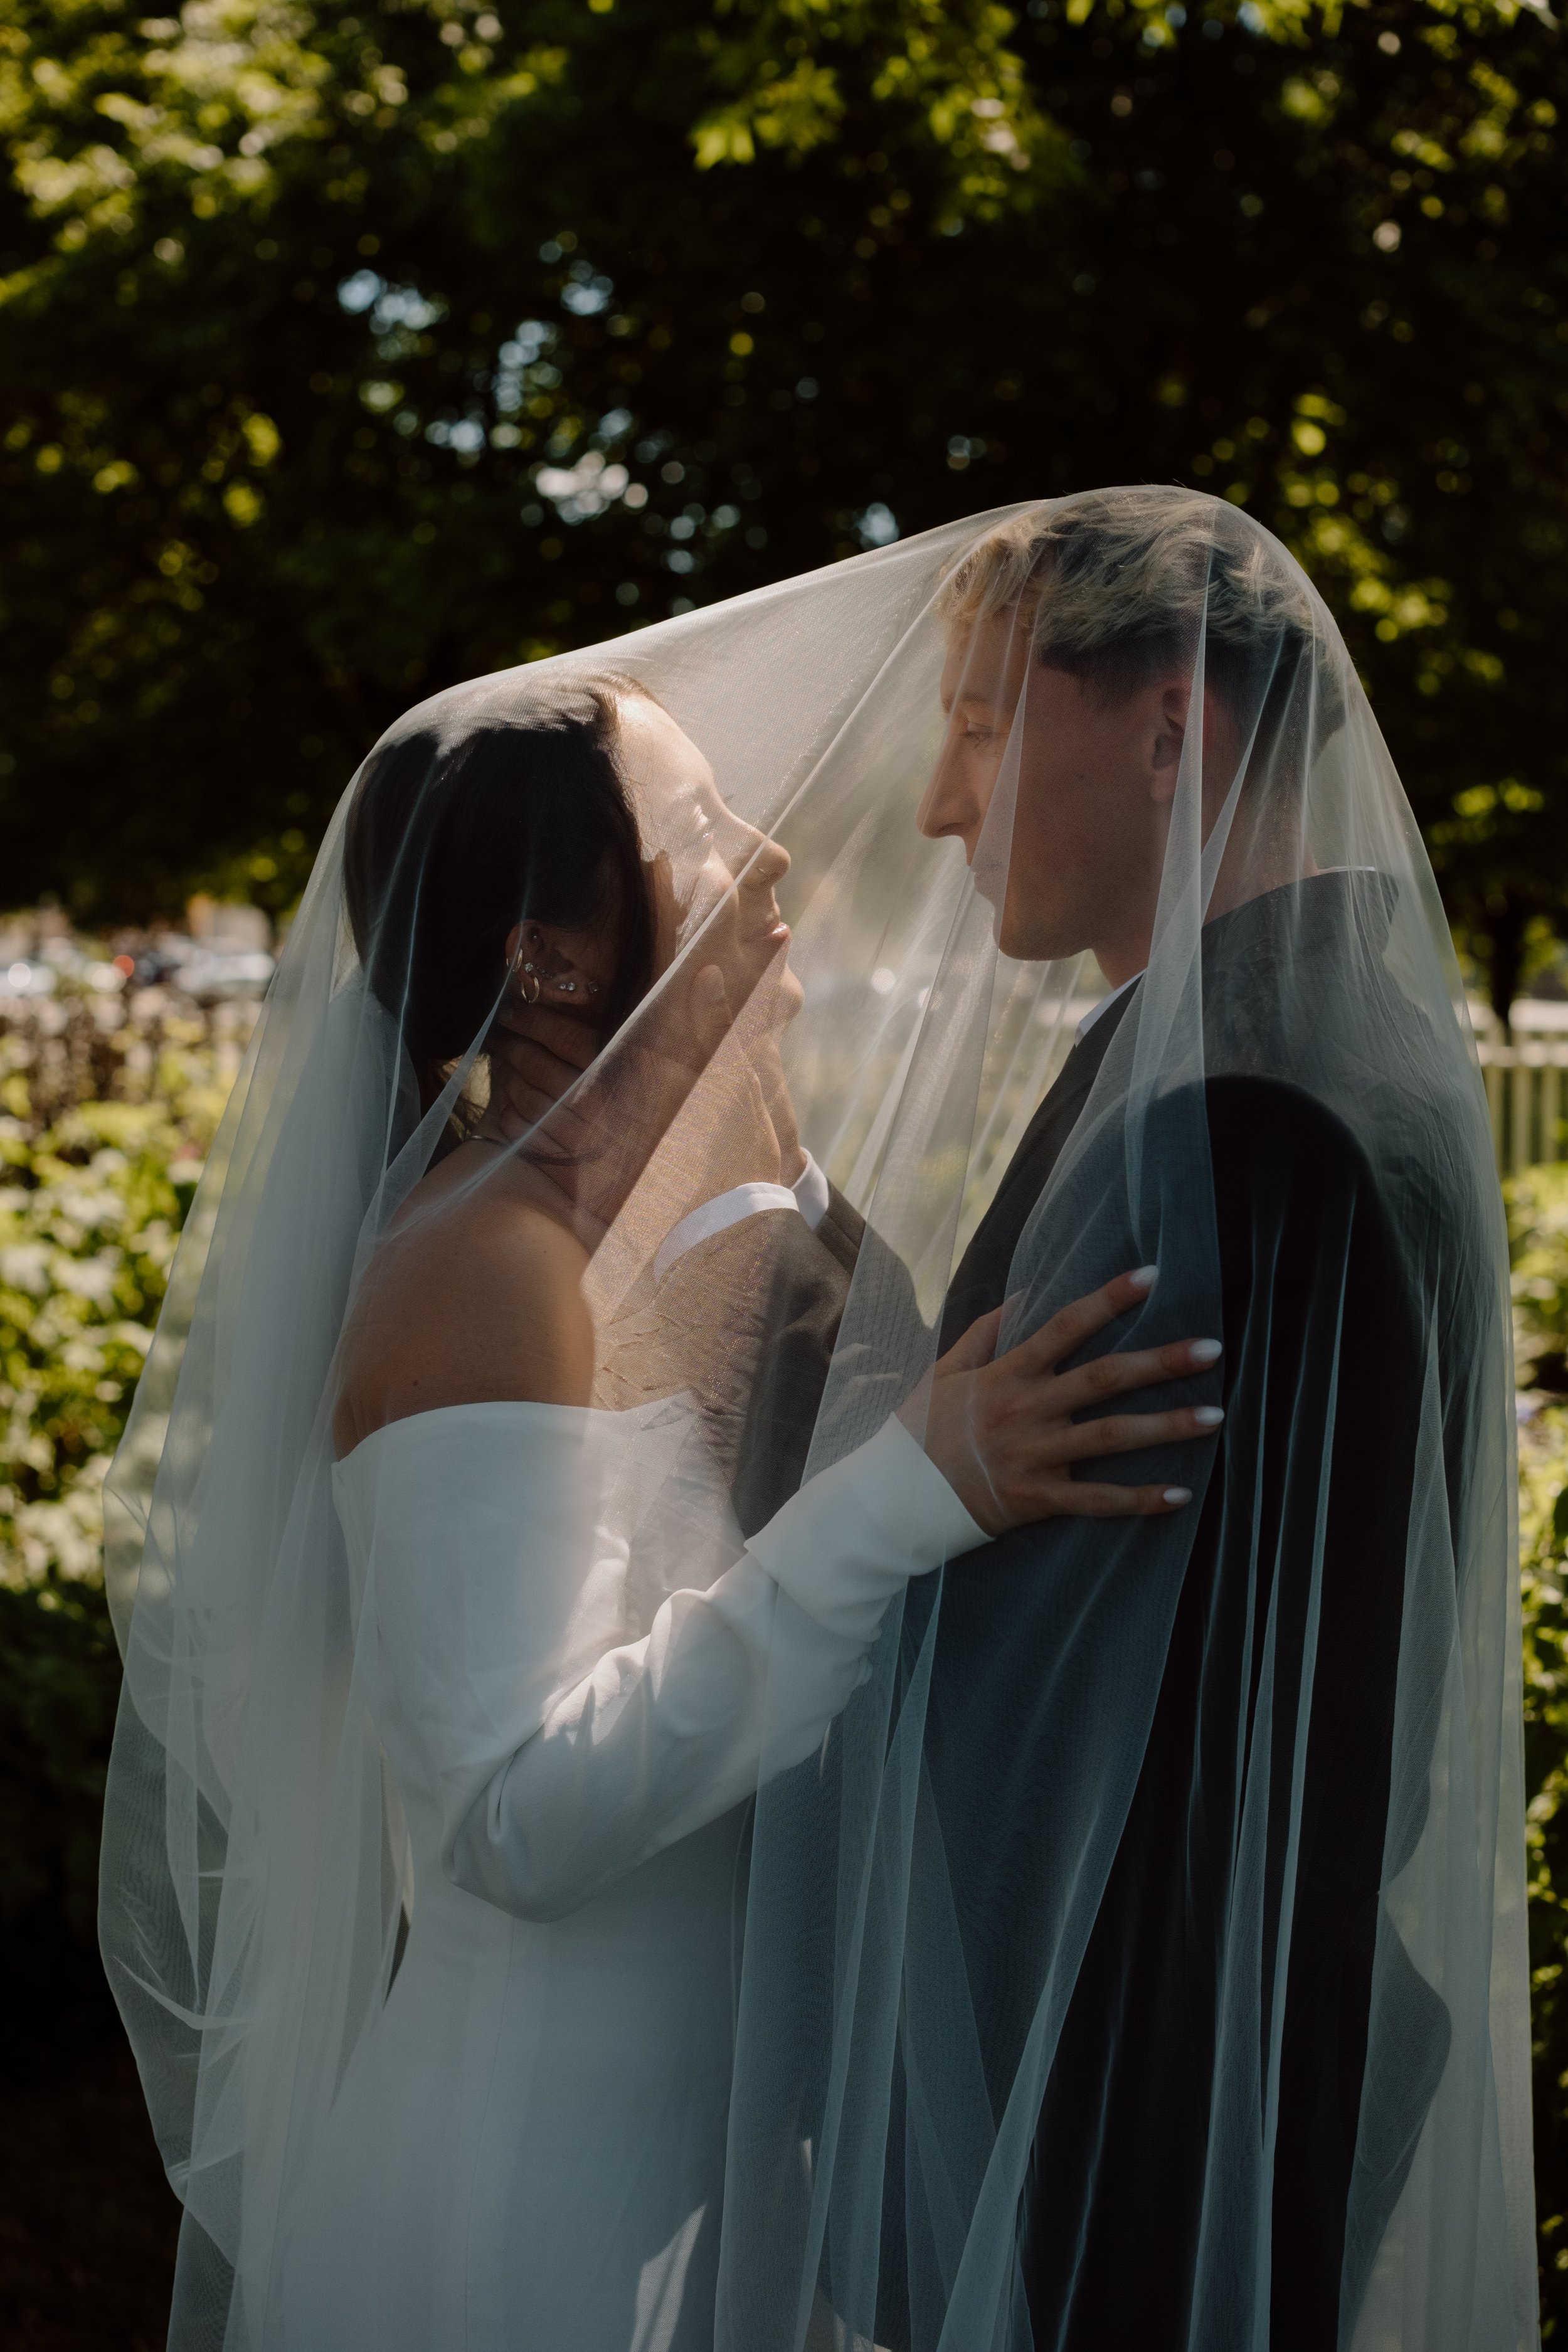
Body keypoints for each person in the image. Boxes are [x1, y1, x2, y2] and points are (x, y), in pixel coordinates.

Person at [497, 494, 1534, 2352]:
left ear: (1164, 731)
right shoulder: (1319, 1042)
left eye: (978, 723)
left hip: (1109, 2127)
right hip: (1214, 2072)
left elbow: (1039, 1700)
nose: (937, 804)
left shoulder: (1234, 1124)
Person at [98, 657, 1219, 2352]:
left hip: (710, 2170)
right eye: (696, 829)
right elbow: (516, 1820)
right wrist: (919, 1487)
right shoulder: (490, 1267)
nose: (768, 858)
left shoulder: (635, 1232)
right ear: (545, 954)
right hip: (547, 2211)